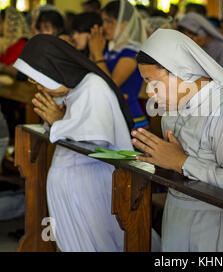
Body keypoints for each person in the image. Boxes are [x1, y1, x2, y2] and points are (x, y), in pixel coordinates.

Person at [131, 29, 223, 252]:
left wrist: (181, 162)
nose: (149, 92)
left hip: (220, 228)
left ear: (180, 73)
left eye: (153, 82)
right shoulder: (172, 111)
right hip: (178, 215)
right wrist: (160, 158)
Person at [12, 34, 136, 252]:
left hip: (92, 186)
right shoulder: (74, 88)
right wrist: (57, 121)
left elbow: (95, 140)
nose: (39, 89)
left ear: (53, 70)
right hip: (74, 186)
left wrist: (58, 122)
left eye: (39, 82)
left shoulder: (93, 87)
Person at [89, 0, 149, 128]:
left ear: (125, 24)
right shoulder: (110, 47)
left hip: (130, 118)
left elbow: (112, 85)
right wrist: (94, 51)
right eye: (103, 21)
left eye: (109, 22)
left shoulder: (133, 52)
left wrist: (97, 53)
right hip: (109, 115)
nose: (104, 26)